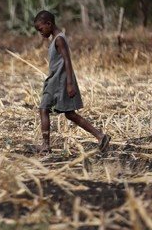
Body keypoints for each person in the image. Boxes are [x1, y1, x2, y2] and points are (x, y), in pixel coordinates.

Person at [33, 10, 110, 154]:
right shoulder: (55, 39)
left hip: (60, 82)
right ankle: (100, 136)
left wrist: (69, 84)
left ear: (49, 24)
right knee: (69, 114)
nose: (40, 33)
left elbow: (67, 61)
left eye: (41, 29)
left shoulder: (59, 39)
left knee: (44, 109)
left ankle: (45, 145)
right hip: (56, 80)